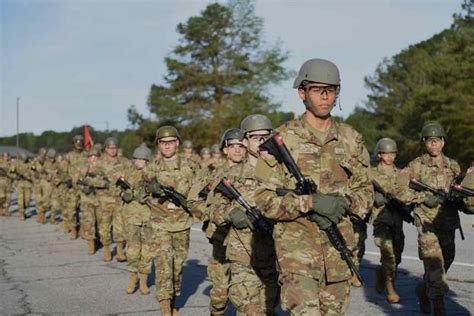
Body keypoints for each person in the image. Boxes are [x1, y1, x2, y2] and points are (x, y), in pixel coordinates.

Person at [254, 58, 373, 315]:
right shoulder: (282, 140)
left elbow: (366, 192)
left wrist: (344, 203)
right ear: (302, 92)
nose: (326, 97)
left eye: (331, 90)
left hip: (338, 253)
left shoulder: (351, 139)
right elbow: (264, 200)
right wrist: (310, 202)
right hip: (296, 255)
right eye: (318, 90)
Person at [211, 115, 279, 315]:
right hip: (243, 254)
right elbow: (213, 210)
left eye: (265, 137)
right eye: (256, 137)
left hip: (274, 253)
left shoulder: (280, 172)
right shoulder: (231, 174)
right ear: (245, 141)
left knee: (269, 308)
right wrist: (232, 213)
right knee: (250, 310)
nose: (261, 141)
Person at [394, 122, 461, 315]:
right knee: (434, 266)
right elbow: (398, 191)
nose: (434, 145)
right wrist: (423, 198)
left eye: (437, 141)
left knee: (446, 261)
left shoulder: (453, 166)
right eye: (430, 141)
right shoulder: (415, 166)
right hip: (426, 224)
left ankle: (423, 290)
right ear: (424, 142)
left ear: (443, 142)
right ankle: (439, 308)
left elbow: (460, 189)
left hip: (447, 222)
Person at [144, 126, 198, 316]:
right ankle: (165, 307)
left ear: (177, 143)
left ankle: (173, 299)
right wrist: (149, 193)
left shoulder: (191, 166)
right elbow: (139, 190)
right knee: (163, 264)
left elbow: (201, 189)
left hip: (182, 223)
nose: (167, 146)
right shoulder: (151, 167)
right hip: (160, 223)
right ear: (158, 145)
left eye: (171, 142)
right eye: (163, 143)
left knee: (176, 266)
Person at [370, 138, 405, 303]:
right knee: (389, 255)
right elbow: (361, 191)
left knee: (396, 257)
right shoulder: (372, 174)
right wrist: (373, 197)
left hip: (397, 221)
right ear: (379, 154)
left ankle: (381, 272)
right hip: (381, 221)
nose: (390, 156)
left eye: (393, 153)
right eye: (386, 153)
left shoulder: (401, 174)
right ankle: (391, 289)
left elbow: (407, 193)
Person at [119, 144, 153, 295]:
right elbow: (117, 189)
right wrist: (123, 195)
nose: (138, 161)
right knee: (132, 250)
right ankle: (133, 278)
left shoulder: (153, 175)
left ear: (147, 160)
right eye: (136, 158)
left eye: (141, 159)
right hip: (131, 217)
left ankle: (144, 280)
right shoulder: (127, 173)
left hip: (148, 217)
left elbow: (157, 194)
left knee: (147, 250)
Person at [95, 137, 130, 262]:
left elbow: (132, 175)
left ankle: (120, 251)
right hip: (104, 200)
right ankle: (106, 250)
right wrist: (105, 183)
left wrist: (125, 178)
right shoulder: (99, 163)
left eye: (114, 147)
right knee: (104, 227)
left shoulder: (125, 161)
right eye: (110, 148)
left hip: (120, 199)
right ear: (105, 149)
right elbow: (89, 179)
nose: (112, 150)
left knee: (120, 227)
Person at [64, 135, 88, 239]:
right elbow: (63, 170)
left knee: (85, 210)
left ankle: (82, 229)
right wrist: (67, 179)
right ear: (73, 143)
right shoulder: (68, 156)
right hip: (72, 187)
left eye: (81, 142)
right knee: (71, 210)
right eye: (76, 142)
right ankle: (73, 229)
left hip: (84, 187)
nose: (79, 144)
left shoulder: (87, 155)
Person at [10, 153, 33, 220]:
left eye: (25, 159)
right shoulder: (16, 163)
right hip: (19, 183)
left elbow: (33, 172)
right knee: (20, 199)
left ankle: (24, 209)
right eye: (23, 159)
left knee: (27, 200)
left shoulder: (30, 163)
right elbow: (11, 172)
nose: (24, 160)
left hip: (28, 184)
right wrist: (16, 176)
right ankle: (21, 213)